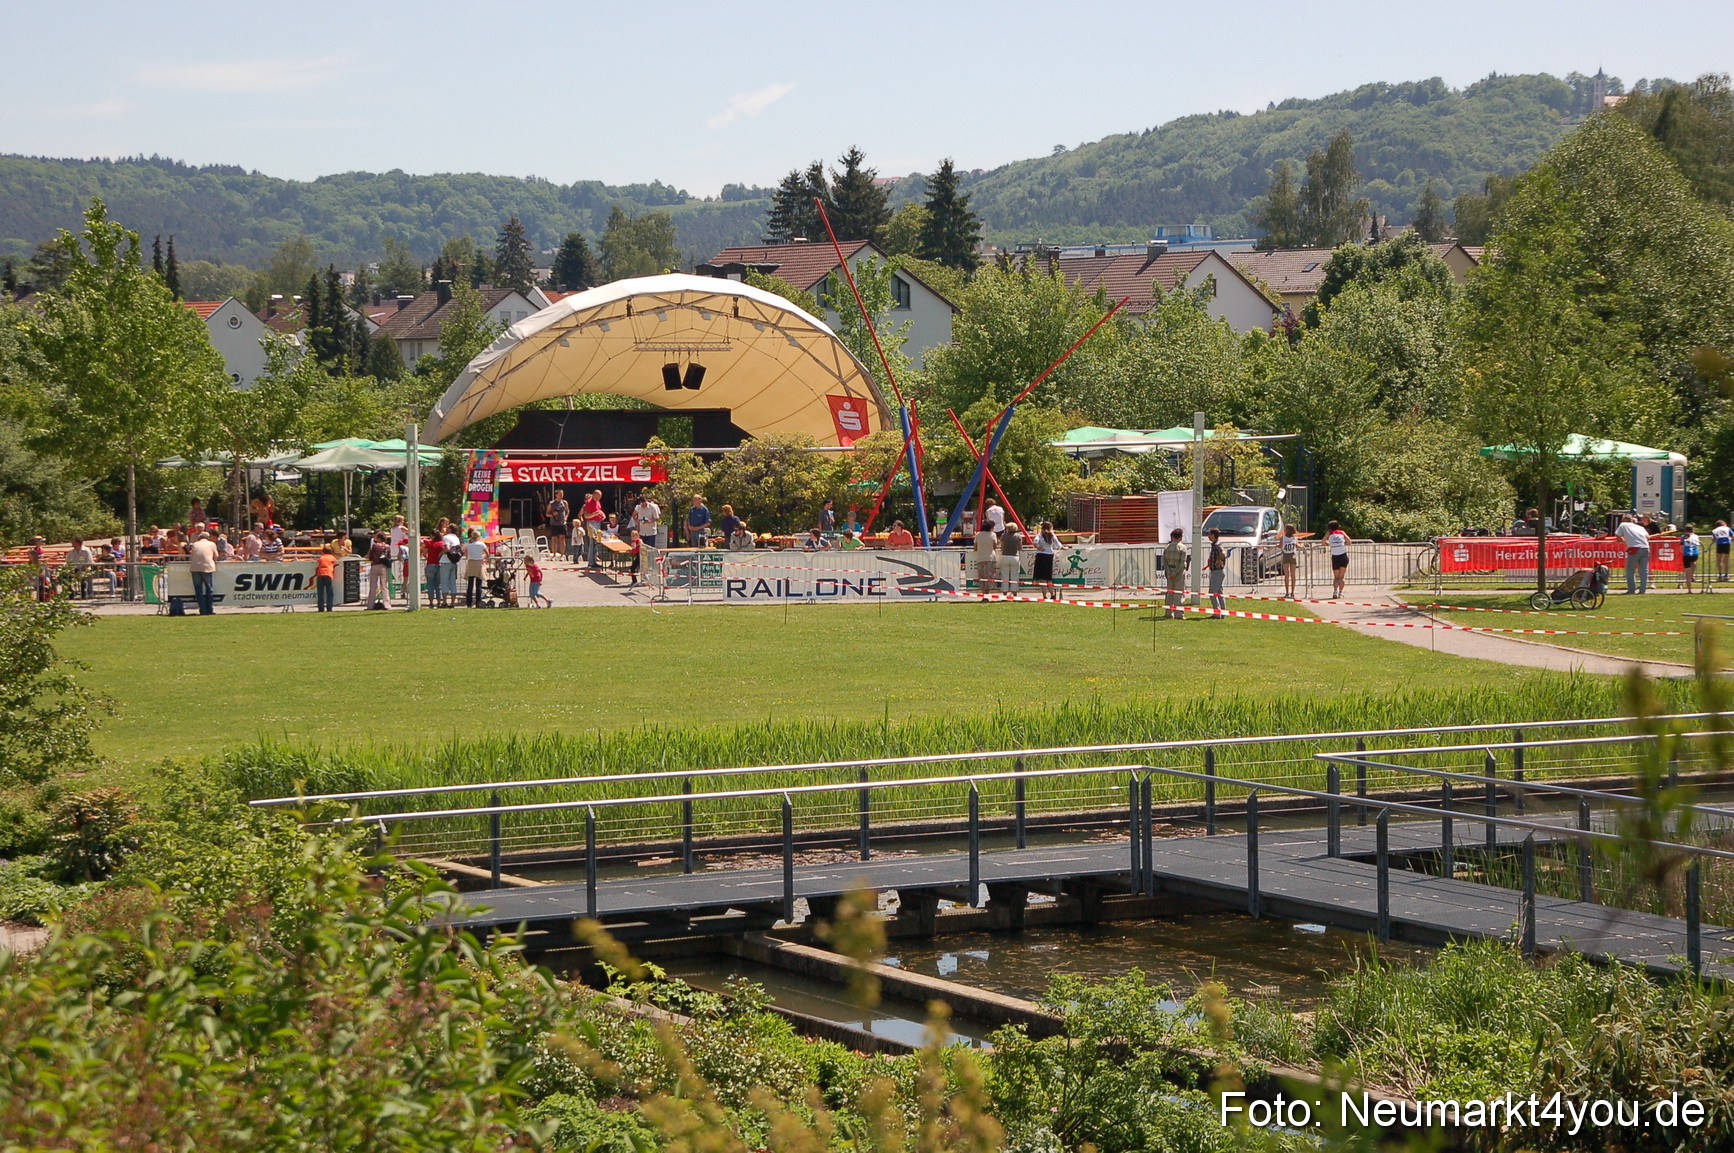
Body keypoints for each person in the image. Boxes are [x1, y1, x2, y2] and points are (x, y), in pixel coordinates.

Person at [1615, 513, 1651, 594]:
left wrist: (1623, 541)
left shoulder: (1623, 525)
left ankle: (1631, 590)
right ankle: (1642, 590)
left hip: (1634, 548)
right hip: (1645, 547)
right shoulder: (1640, 527)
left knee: (1630, 570)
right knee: (1643, 570)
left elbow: (1617, 535)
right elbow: (1648, 537)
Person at [187, 530, 219, 615]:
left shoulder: (195, 544)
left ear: (199, 537)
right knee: (209, 589)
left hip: (195, 568)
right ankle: (209, 609)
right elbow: (216, 556)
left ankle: (202, 610)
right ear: (208, 537)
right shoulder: (212, 544)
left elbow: (192, 556)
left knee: (198, 590)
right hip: (207, 567)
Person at [1162, 528, 1188, 619]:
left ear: (1173, 536)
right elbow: (1182, 562)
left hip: (1169, 572)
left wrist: (1169, 571)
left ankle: (1168, 612)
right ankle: (1179, 614)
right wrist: (1175, 572)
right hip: (1179, 572)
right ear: (1181, 537)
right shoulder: (1183, 548)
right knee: (1179, 593)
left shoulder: (1167, 547)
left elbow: (1164, 561)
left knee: (1170, 593)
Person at [1032, 521, 1061, 600]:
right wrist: (1063, 547)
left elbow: (1035, 541)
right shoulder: (1052, 535)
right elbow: (1058, 544)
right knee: (1048, 578)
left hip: (1040, 555)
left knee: (1042, 578)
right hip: (1049, 555)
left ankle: (1044, 596)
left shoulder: (1040, 534)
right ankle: (1052, 594)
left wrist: (1038, 547)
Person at [1205, 527, 1228, 619]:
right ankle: (1223, 612)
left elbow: (1223, 553)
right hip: (1218, 572)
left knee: (1212, 593)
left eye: (1209, 534)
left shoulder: (1217, 545)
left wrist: (1218, 560)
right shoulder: (1215, 545)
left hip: (1217, 572)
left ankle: (1217, 613)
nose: (1208, 536)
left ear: (1213, 535)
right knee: (1219, 593)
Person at [366, 531, 392, 609]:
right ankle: (387, 605)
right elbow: (389, 556)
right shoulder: (387, 546)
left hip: (375, 565)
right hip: (383, 567)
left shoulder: (375, 546)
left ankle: (370, 605)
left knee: (373, 586)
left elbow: (371, 556)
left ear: (379, 538)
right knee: (384, 586)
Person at [463, 528, 488, 607]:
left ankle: (469, 603)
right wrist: (482, 556)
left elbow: (466, 555)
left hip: (470, 563)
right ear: (478, 537)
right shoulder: (481, 544)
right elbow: (488, 554)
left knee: (470, 585)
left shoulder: (468, 545)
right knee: (478, 585)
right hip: (478, 563)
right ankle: (478, 602)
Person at [580, 490, 605, 568]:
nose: (598, 499)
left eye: (599, 498)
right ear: (593, 495)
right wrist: (595, 514)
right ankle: (591, 562)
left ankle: (594, 560)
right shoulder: (589, 502)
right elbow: (586, 516)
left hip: (598, 523)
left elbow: (599, 511)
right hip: (592, 523)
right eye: (596, 497)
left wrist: (602, 515)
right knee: (592, 542)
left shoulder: (597, 502)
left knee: (596, 543)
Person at [1325, 519, 1349, 599]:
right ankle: (1340, 593)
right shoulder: (1341, 532)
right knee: (1342, 577)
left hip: (1335, 556)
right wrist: (1342, 544)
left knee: (1336, 577)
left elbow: (1323, 542)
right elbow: (1349, 541)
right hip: (1343, 555)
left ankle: (1335, 591)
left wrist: (1330, 544)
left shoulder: (1329, 533)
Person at [422, 529, 447, 607]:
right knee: (438, 585)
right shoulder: (441, 543)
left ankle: (431, 602)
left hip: (430, 564)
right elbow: (445, 550)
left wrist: (427, 557)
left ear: (433, 536)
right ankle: (439, 601)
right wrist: (440, 554)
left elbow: (424, 553)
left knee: (430, 585)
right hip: (439, 565)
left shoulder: (429, 543)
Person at [441, 522, 463, 606]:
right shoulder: (456, 538)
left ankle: (444, 601)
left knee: (444, 582)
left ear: (450, 529)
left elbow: (447, 548)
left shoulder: (446, 537)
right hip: (454, 562)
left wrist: (440, 554)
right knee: (452, 582)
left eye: (447, 528)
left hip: (445, 561)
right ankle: (453, 602)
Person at [972, 524, 999, 592]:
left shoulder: (978, 534)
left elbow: (975, 547)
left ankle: (983, 592)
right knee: (990, 576)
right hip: (990, 558)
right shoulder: (993, 535)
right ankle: (988, 591)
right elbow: (995, 546)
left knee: (981, 576)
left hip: (980, 558)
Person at [545, 488, 571, 559]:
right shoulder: (552, 503)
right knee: (554, 539)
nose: (561, 496)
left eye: (562, 494)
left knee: (562, 539)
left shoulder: (564, 502)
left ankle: (562, 554)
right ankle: (554, 554)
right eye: (559, 494)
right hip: (554, 523)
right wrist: (553, 514)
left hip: (562, 523)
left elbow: (567, 511)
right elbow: (547, 514)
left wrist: (566, 517)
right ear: (556, 495)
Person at [997, 522, 1022, 594]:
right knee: (1015, 575)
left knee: (1004, 575)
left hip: (1005, 556)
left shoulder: (1003, 536)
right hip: (1015, 556)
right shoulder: (1018, 536)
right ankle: (1014, 591)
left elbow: (1002, 547)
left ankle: (1005, 591)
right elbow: (1020, 547)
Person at [389, 514, 410, 595]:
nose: (403, 522)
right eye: (402, 520)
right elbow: (411, 532)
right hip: (401, 549)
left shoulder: (392, 529)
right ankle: (404, 587)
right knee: (405, 569)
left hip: (393, 548)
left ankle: (402, 587)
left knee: (396, 567)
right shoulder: (401, 528)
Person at [315, 544, 337, 612]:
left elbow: (318, 561)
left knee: (320, 593)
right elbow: (336, 562)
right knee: (329, 592)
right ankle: (329, 607)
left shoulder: (321, 557)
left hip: (320, 574)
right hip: (328, 574)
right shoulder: (332, 557)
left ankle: (320, 608)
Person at [1279, 523, 1299, 599]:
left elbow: (1280, 545)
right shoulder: (1295, 537)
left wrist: (1277, 545)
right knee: (1293, 575)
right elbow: (1297, 545)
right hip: (1293, 555)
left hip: (1286, 555)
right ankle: (1292, 592)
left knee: (1286, 575)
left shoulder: (1283, 537)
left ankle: (1287, 592)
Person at [1681, 524, 1701, 591]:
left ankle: (1689, 590)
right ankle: (1692, 574)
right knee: (1693, 562)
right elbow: (1697, 544)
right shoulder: (1696, 536)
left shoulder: (1683, 537)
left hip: (1686, 555)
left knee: (1687, 573)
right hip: (1695, 554)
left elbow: (1682, 546)